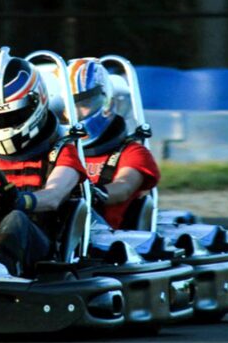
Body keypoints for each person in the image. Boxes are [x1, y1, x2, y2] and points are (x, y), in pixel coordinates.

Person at [0, 48, 87, 276]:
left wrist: (19, 201)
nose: (0, 125)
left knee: (16, 220)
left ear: (36, 104)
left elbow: (54, 196)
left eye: (9, 117)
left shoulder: (62, 151)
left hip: (40, 248)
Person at [67, 57, 160, 230]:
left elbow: (124, 186)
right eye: (70, 106)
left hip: (101, 235)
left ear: (107, 103)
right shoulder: (61, 150)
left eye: (84, 103)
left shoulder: (132, 152)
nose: (76, 114)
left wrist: (91, 192)